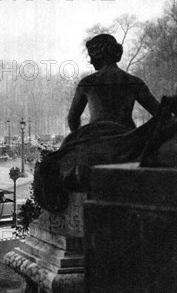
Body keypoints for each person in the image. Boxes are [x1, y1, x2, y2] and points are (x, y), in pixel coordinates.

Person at [35, 33, 177, 212]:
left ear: (98, 55)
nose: (91, 62)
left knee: (52, 164)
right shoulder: (133, 82)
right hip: (127, 139)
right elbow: (160, 115)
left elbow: (73, 118)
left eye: (91, 57)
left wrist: (80, 137)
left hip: (93, 137)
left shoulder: (88, 83)